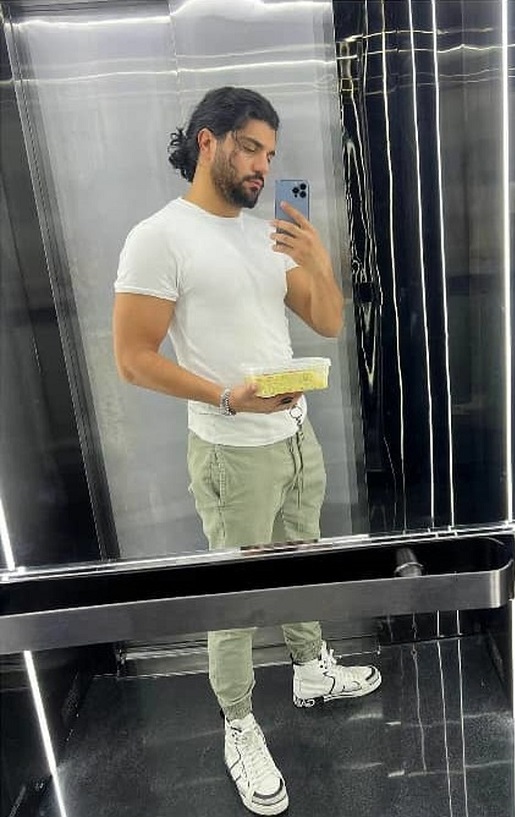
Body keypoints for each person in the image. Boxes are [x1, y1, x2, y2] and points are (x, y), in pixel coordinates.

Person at [113, 86, 381, 816]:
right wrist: (226, 397)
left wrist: (318, 258)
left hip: (294, 436)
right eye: (251, 147)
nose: (263, 164)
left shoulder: (266, 233)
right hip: (232, 450)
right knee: (235, 598)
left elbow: (328, 322)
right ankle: (238, 723)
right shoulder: (160, 237)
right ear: (208, 142)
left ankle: (310, 668)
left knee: (305, 560)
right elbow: (133, 359)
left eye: (271, 152)